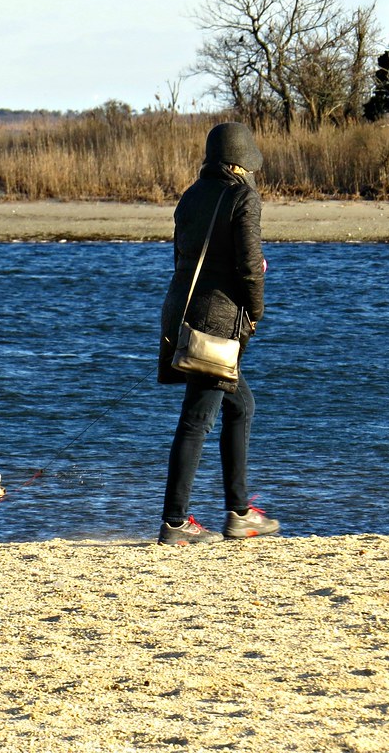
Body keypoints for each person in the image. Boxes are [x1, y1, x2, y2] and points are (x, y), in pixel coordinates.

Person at [156, 122, 280, 545]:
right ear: (239, 160)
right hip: (218, 322)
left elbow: (182, 257)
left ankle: (240, 512)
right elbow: (250, 265)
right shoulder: (243, 196)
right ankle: (175, 522)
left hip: (181, 311)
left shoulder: (191, 195)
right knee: (196, 418)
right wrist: (256, 312)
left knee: (240, 406)